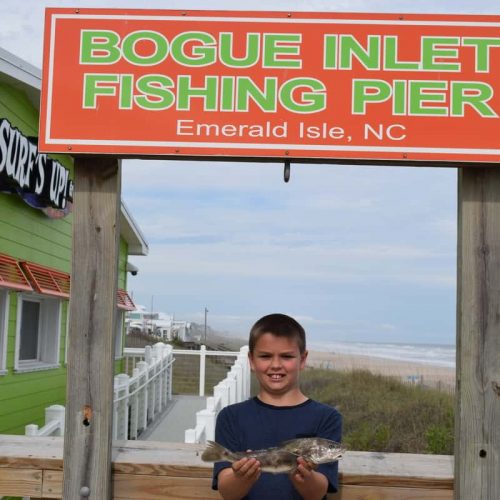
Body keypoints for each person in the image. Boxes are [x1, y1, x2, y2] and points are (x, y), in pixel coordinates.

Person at [211, 313, 342, 499]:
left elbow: (318, 493)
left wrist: (304, 478)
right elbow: (228, 492)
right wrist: (242, 477)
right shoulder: (230, 417)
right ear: (251, 360)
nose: (275, 365)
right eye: (265, 356)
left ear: (302, 360)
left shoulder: (327, 418)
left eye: (286, 356)